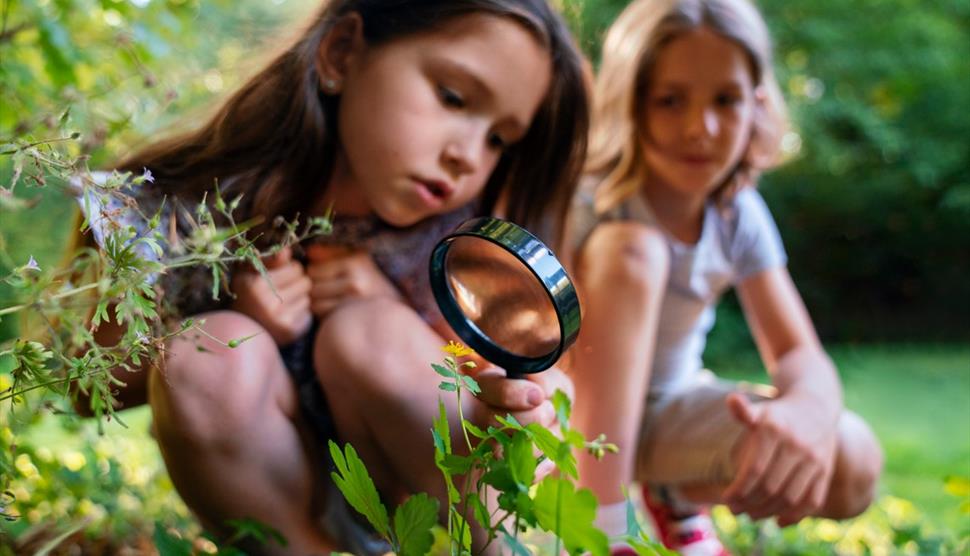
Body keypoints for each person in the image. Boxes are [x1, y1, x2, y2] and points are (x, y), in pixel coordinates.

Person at [76, 1, 588, 553]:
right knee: (208, 352)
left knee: (369, 331)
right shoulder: (193, 211)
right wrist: (240, 314)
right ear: (341, 53)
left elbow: (521, 379)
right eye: (453, 97)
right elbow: (87, 387)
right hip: (283, 499)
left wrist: (525, 397)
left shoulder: (468, 247)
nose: (468, 155)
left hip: (422, 502)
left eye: (498, 140)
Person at [566, 0, 883, 553]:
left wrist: (805, 413)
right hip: (574, 427)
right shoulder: (588, 201)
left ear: (757, 105)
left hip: (668, 416)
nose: (700, 128)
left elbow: (798, 353)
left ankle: (675, 497)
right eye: (670, 100)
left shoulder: (737, 214)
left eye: (726, 100)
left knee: (851, 456)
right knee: (633, 251)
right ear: (630, 101)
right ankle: (604, 528)